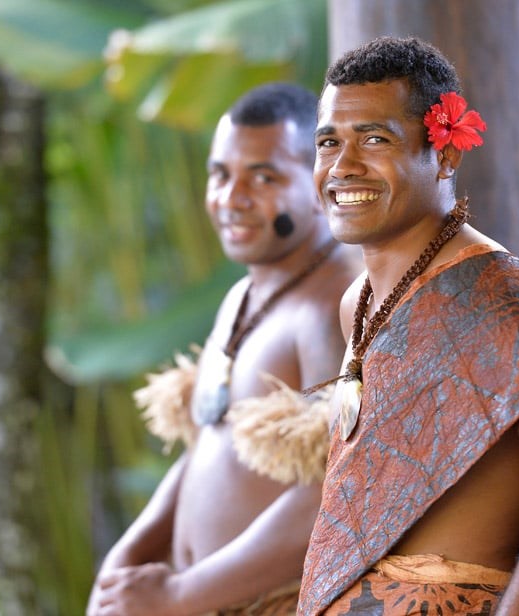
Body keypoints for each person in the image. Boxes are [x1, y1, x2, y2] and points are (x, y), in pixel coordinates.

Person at [298, 36, 519, 616]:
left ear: (446, 154)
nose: (342, 165)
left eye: (375, 139)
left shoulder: (491, 288)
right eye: (329, 142)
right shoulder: (358, 301)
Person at [87, 82, 362, 616]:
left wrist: (178, 595)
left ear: (319, 181)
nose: (231, 198)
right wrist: (123, 563)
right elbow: (206, 445)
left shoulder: (332, 303)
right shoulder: (242, 297)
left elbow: (336, 491)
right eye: (220, 174)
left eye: (263, 177)